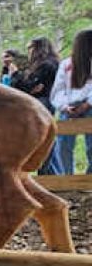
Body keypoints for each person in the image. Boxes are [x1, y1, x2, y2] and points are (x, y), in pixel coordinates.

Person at [8, 37, 61, 174]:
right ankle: (53, 175)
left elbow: (26, 86)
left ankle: (47, 175)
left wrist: (15, 74)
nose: (29, 51)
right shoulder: (45, 64)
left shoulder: (47, 65)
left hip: (43, 103)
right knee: (47, 141)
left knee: (43, 141)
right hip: (43, 102)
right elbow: (29, 87)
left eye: (30, 48)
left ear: (38, 48)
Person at [51, 29, 92, 175]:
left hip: (89, 106)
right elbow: (58, 89)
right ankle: (66, 178)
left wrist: (87, 104)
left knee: (91, 146)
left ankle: (89, 179)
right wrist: (64, 106)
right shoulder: (66, 64)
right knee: (63, 146)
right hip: (69, 107)